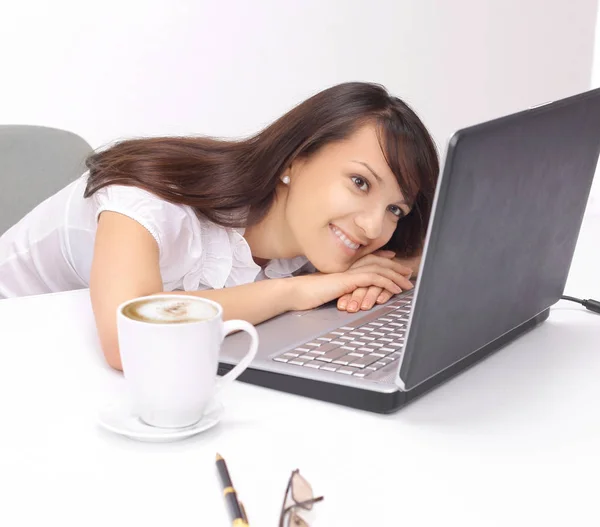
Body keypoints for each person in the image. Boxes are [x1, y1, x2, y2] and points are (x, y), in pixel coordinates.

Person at [0, 82, 439, 370]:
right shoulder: (149, 197)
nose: (370, 227)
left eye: (395, 210)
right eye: (360, 183)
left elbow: (423, 248)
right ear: (295, 158)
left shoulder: (315, 236)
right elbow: (127, 341)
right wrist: (292, 292)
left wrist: (385, 275)